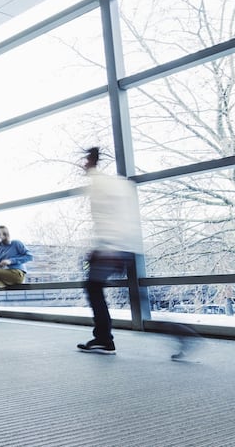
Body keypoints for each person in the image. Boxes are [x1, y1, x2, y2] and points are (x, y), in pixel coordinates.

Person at [77, 147, 143, 355]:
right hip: (125, 248)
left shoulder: (100, 185)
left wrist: (105, 248)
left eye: (86, 161)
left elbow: (106, 220)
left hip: (114, 249)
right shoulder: (116, 183)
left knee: (93, 287)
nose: (83, 165)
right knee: (136, 296)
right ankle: (103, 338)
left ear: (92, 162)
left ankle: (104, 339)